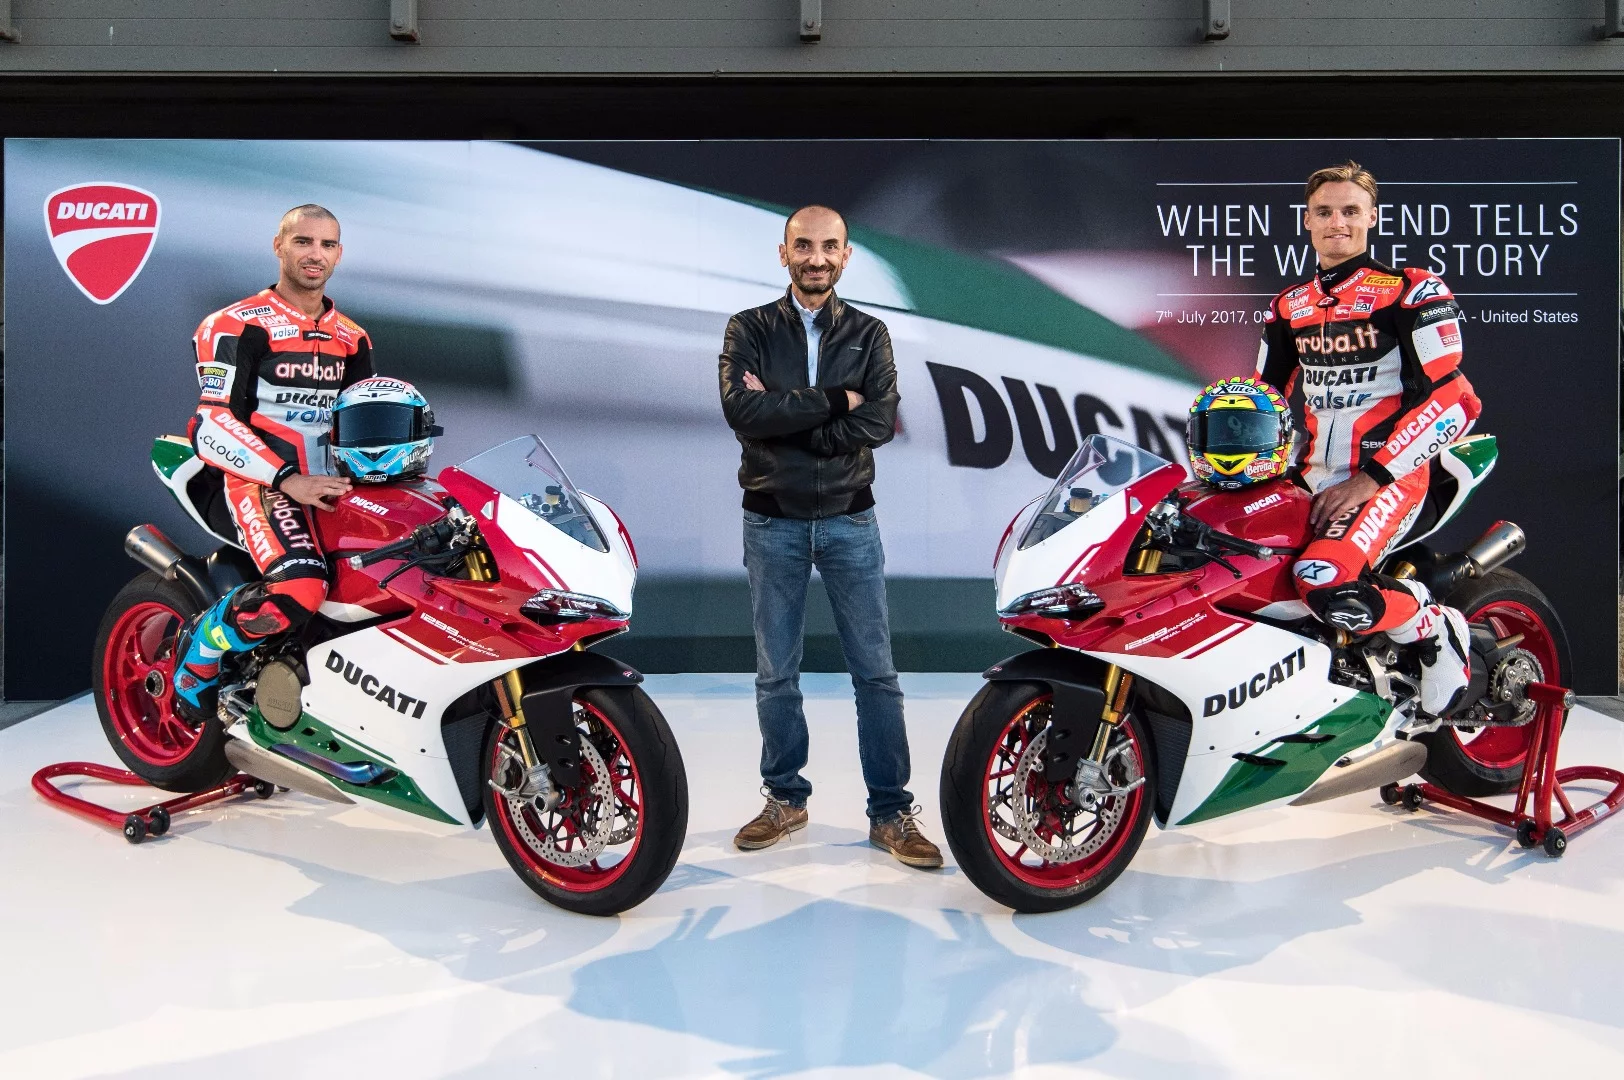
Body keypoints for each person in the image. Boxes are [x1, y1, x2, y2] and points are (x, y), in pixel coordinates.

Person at [717, 204, 942, 868]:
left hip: (851, 520)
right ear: (783, 253)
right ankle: (785, 800)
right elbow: (742, 411)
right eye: (804, 245)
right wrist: (838, 399)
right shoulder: (748, 328)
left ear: (845, 256)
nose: (816, 258)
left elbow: (879, 422)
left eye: (829, 247)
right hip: (771, 521)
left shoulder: (871, 333)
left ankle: (891, 813)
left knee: (876, 674)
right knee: (775, 675)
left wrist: (789, 420)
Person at [1244, 160, 1481, 716]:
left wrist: (1370, 480)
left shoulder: (1410, 290)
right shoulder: (1289, 305)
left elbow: (1456, 399)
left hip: (1390, 478)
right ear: (1307, 220)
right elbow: (1261, 397)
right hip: (1310, 476)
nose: (1338, 223)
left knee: (1322, 579)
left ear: (1372, 217)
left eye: (1351, 210)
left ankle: (1432, 624)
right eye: (1325, 212)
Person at [172, 204, 375, 720]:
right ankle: (203, 647)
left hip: (331, 487)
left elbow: (362, 422)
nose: (315, 254)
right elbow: (211, 424)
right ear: (279, 246)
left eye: (327, 245)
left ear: (339, 254)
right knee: (302, 586)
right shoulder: (234, 323)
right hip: (257, 483)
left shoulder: (353, 336)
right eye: (303, 241)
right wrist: (286, 478)